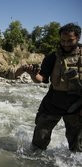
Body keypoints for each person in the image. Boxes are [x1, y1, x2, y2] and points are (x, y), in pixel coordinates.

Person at [26, 23, 82, 152]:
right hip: (53, 102)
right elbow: (42, 79)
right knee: (38, 142)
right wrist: (33, 75)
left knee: (77, 149)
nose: (66, 44)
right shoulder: (52, 57)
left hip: (77, 105)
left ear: (78, 38)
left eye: (70, 40)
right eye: (63, 41)